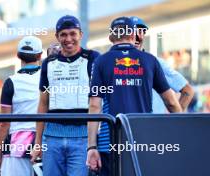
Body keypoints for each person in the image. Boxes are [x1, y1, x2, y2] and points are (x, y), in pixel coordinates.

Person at [86, 17, 182, 176]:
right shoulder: (150, 60)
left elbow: (95, 106)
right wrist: (181, 132)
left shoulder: (101, 61)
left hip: (109, 142)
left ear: (111, 37)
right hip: (143, 139)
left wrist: (91, 147)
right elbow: (171, 102)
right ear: (133, 35)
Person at [30, 15, 100, 176]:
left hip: (83, 138)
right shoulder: (48, 63)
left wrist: (92, 144)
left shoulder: (93, 58)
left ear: (80, 35)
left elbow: (98, 101)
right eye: (63, 34)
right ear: (57, 37)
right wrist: (38, 142)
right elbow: (43, 103)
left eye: (72, 33)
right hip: (52, 138)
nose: (68, 39)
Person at [0, 36, 43, 176]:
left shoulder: (10, 82)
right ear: (40, 55)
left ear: (18, 56)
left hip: (16, 146)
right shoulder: (47, 78)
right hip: (44, 143)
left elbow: (4, 123)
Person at [130, 16, 194, 112]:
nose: (136, 36)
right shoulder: (114, 63)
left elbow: (187, 91)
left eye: (140, 32)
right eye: (132, 32)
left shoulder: (156, 62)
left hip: (154, 125)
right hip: (126, 125)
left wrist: (174, 121)